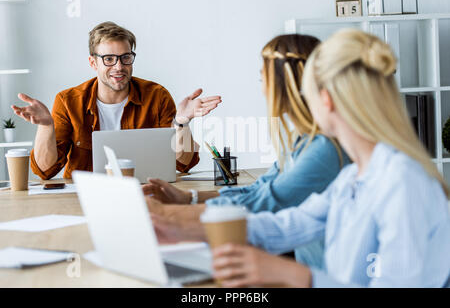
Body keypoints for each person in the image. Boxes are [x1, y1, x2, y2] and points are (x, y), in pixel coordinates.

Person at [152, 29, 450, 287]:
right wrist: (175, 225)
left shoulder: (403, 184)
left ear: (325, 100)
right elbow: (286, 225)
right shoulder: (353, 178)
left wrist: (296, 276)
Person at [144, 34, 349, 269]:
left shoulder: (324, 149)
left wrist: (169, 215)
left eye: (263, 79)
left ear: (286, 83)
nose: (262, 89)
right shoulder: (301, 141)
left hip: (323, 276)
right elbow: (259, 189)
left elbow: (266, 202)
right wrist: (187, 198)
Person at [11, 21, 221, 179]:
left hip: (146, 194)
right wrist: (47, 126)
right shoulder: (68, 101)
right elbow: (45, 170)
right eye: (108, 59)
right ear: (93, 63)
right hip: (86, 198)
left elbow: (184, 163)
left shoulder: (156, 96)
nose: (119, 66)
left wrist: (182, 122)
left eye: (125, 57)